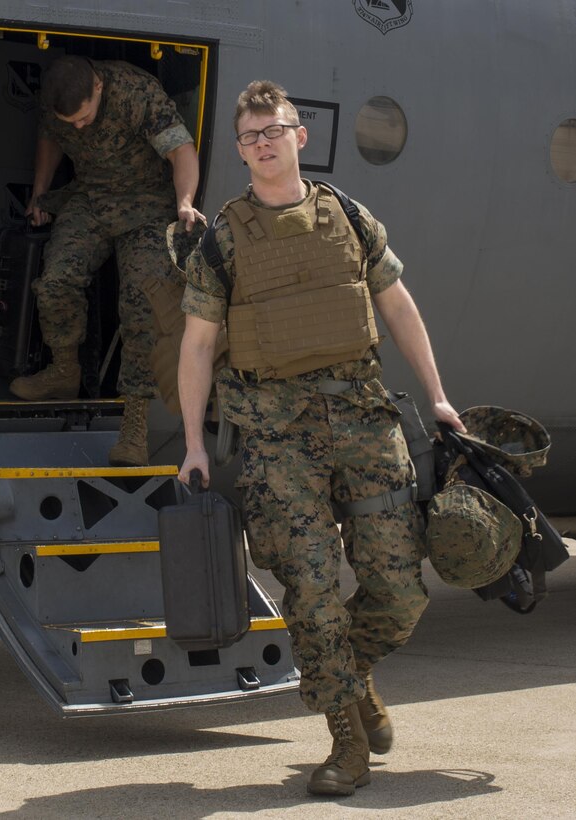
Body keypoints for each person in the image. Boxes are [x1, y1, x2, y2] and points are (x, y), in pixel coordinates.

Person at [177, 80, 467, 797]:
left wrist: (436, 396)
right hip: (277, 438)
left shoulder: (348, 216)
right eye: (248, 136)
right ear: (240, 148)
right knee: (310, 592)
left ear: (298, 135)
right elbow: (195, 346)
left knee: (400, 589)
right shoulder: (221, 240)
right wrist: (192, 442)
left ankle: (353, 673)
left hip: (364, 423)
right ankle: (345, 738)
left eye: (273, 130)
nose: (262, 144)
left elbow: (396, 305)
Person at [9, 55, 205, 466]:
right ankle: (65, 371)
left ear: (98, 87)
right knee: (56, 280)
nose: (79, 127)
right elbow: (50, 137)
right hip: (92, 197)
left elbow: (181, 150)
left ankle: (134, 425)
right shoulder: (58, 99)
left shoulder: (136, 91)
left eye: (84, 118)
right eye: (72, 121)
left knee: (141, 308)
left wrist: (185, 202)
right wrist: (39, 193)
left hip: (147, 202)